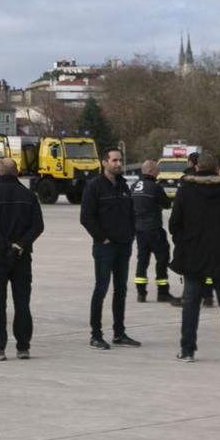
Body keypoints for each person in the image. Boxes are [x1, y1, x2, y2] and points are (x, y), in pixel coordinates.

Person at [169, 151, 220, 362]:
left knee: (190, 305)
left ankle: (187, 350)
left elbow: (174, 225)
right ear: (217, 170)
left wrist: (184, 242)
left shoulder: (186, 192)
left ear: (196, 168)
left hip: (193, 256)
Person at [0, 158, 44, 361]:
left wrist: (6, 245)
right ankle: (23, 347)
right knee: (22, 302)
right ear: (17, 173)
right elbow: (38, 226)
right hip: (22, 257)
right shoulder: (29, 195)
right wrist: (21, 244)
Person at [80, 147, 140, 349]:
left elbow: (131, 213)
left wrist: (131, 235)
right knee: (101, 289)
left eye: (120, 160)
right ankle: (96, 334)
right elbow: (86, 217)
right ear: (104, 162)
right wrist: (102, 238)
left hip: (124, 245)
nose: (118, 164)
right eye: (114, 160)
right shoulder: (94, 186)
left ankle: (119, 333)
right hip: (105, 247)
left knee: (121, 290)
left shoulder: (123, 185)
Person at [130, 159, 178, 306]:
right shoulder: (154, 187)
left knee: (142, 261)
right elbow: (167, 204)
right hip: (154, 229)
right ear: (150, 171)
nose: (159, 172)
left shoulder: (133, 187)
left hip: (139, 230)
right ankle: (163, 292)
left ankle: (141, 293)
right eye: (157, 170)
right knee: (162, 259)